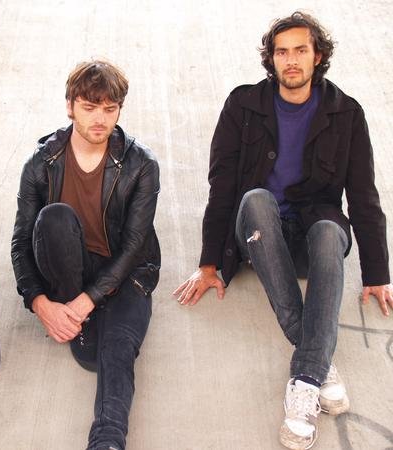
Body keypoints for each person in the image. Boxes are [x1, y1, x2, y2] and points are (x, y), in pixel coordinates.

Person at [173, 11, 392, 450]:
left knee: (330, 229)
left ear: (318, 56)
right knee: (255, 198)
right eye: (281, 52)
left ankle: (306, 375)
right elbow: (222, 185)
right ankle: (317, 366)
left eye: (300, 50)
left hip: (311, 241)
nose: (290, 60)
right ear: (271, 59)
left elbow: (363, 195)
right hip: (258, 236)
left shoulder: (346, 113)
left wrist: (377, 273)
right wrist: (210, 262)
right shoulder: (243, 105)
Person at [11, 59, 160, 450]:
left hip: (125, 270)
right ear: (70, 106)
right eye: (89, 107)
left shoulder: (141, 165)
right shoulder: (41, 163)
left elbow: (134, 246)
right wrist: (41, 303)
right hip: (67, 264)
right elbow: (21, 242)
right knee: (54, 218)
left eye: (110, 109)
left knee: (114, 351)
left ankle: (107, 440)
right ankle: (73, 314)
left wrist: (86, 302)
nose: (100, 119)